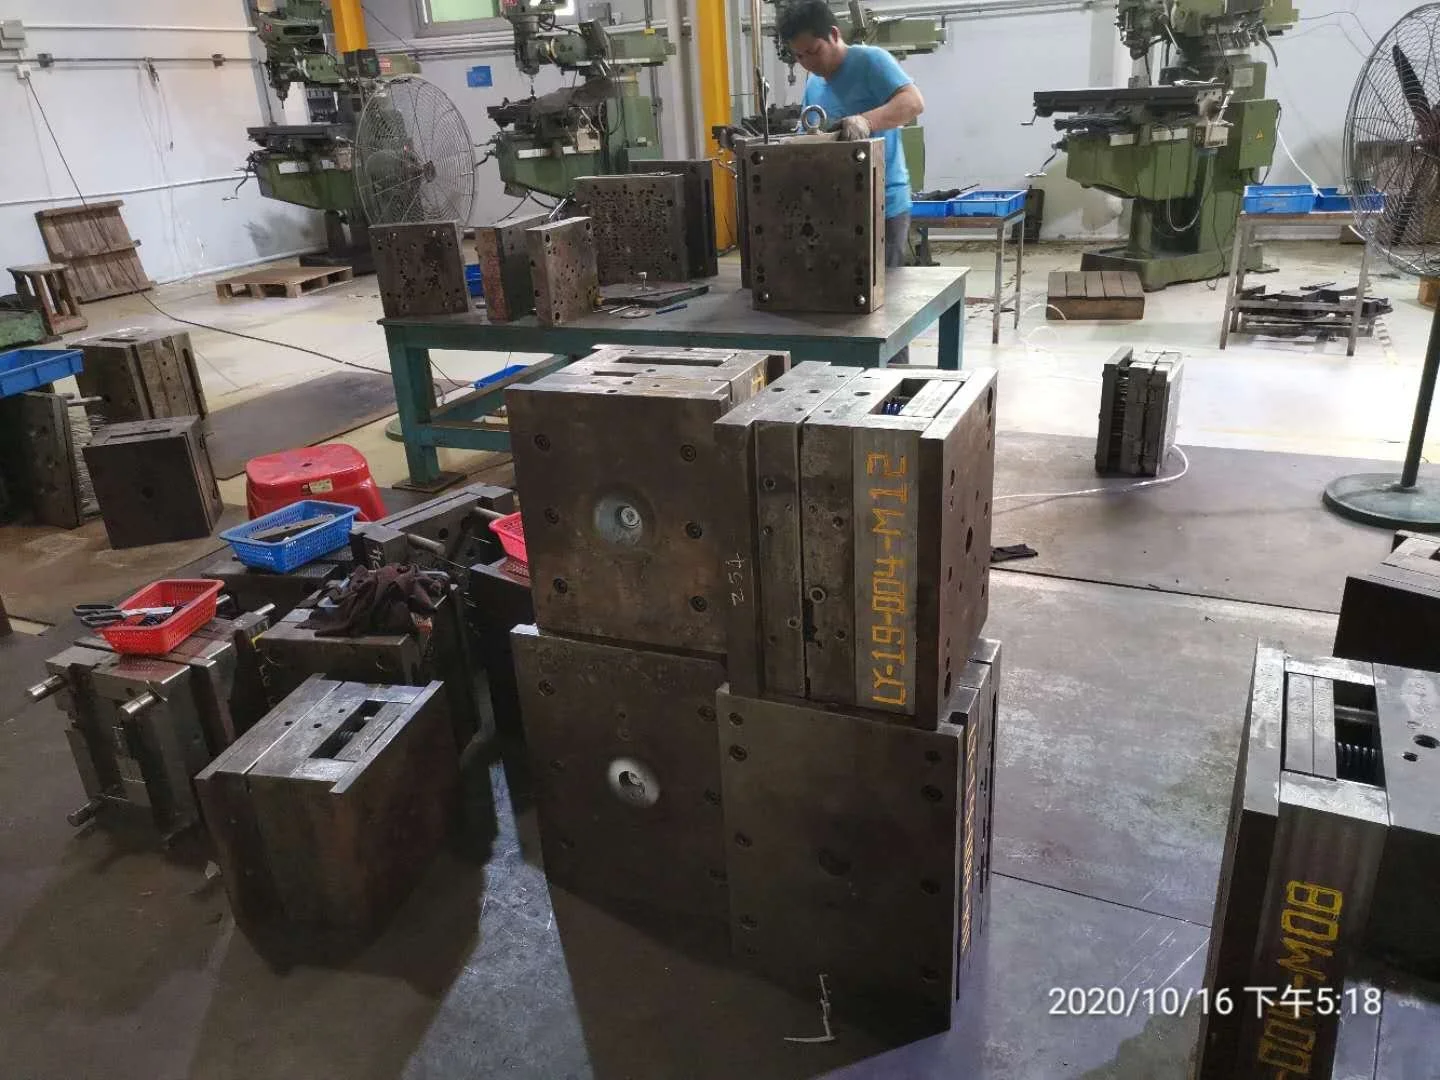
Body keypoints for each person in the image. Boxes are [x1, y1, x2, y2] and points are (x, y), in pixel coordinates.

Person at [779, 0, 926, 319]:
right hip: (833, 209)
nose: (807, 62)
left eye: (813, 51)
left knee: (884, 311)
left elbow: (913, 103)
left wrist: (866, 121)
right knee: (838, 304)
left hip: (881, 206)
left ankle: (891, 370)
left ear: (833, 34)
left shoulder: (871, 61)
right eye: (799, 55)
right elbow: (809, 133)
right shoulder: (815, 84)